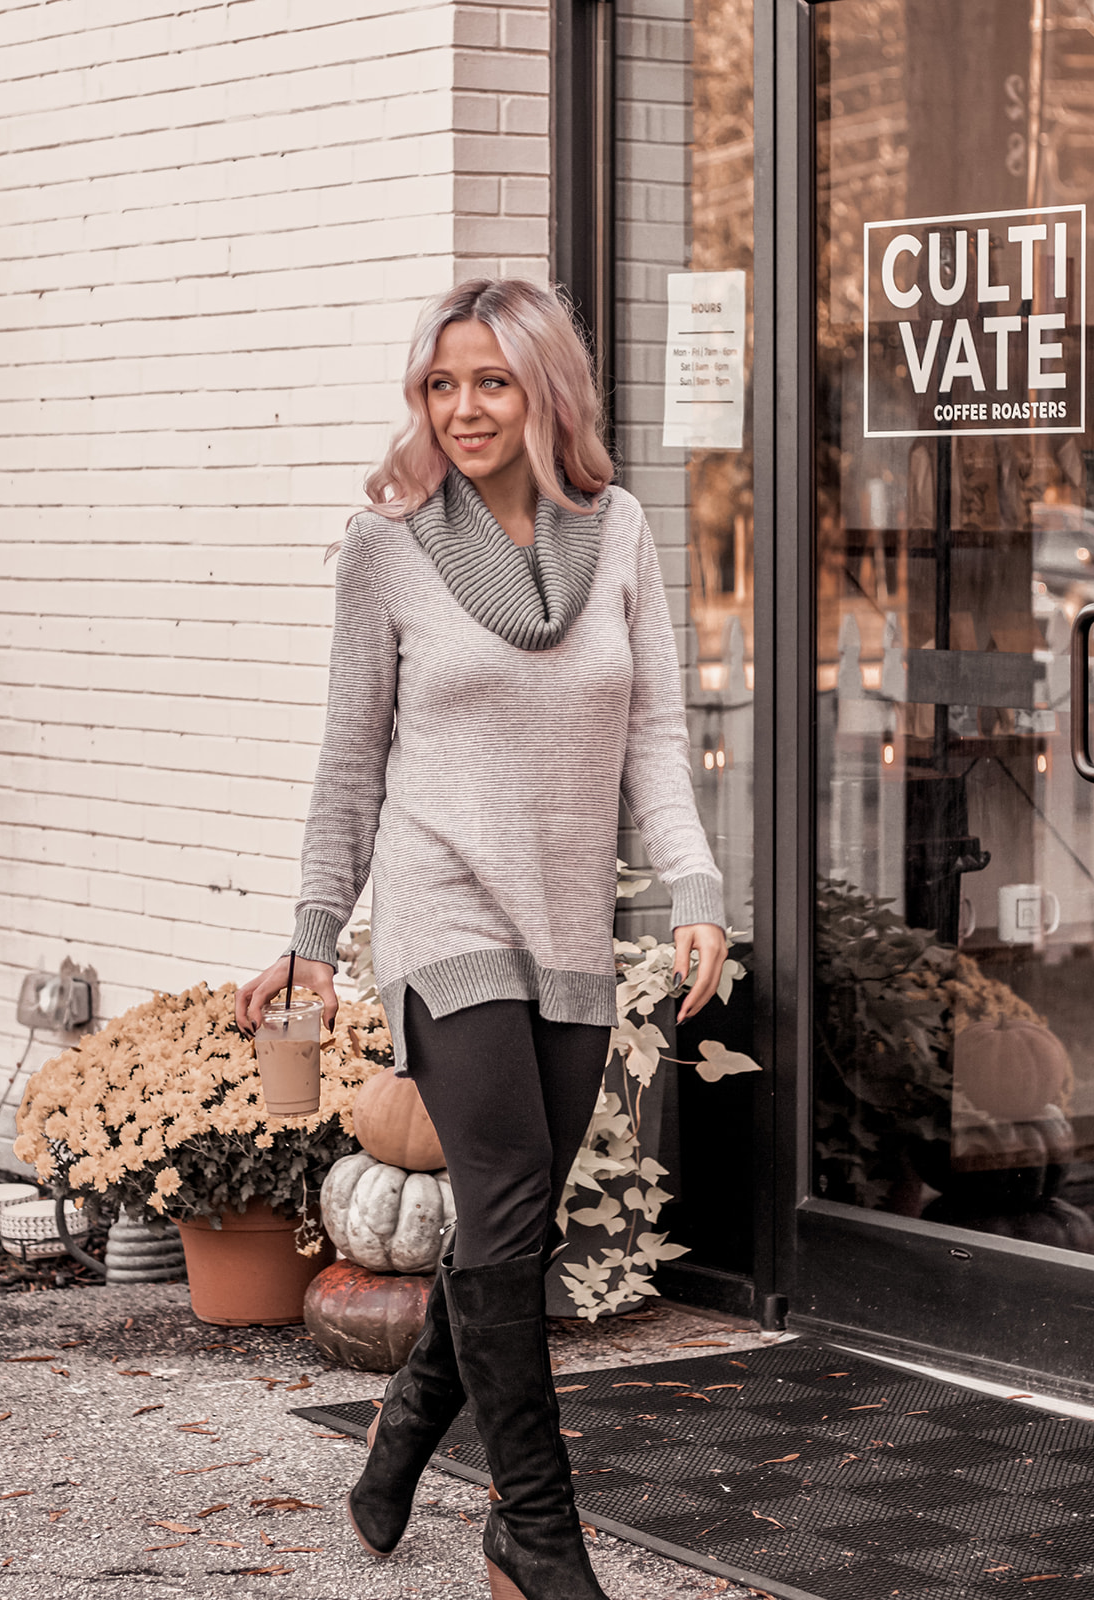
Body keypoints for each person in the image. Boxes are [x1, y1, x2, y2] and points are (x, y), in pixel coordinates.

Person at [237, 278, 727, 1600]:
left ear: (543, 390)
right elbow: (349, 767)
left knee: (512, 1223)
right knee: (507, 1191)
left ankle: (399, 1442)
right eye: (440, 384)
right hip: (440, 903)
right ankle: (536, 1526)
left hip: (566, 914)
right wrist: (307, 930)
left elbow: (655, 741)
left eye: (490, 383)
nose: (461, 408)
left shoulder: (619, 534)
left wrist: (693, 884)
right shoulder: (386, 549)